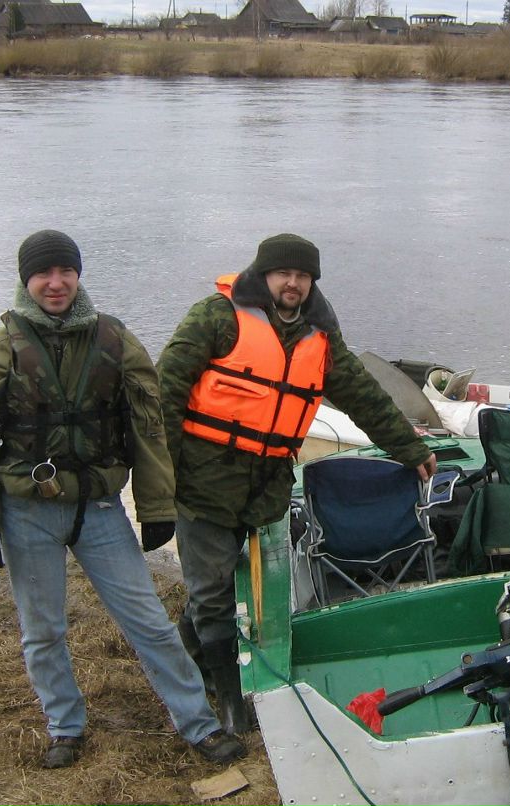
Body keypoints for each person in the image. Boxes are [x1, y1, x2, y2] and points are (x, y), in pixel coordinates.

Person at [0, 229, 246, 769]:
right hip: (27, 512)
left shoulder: (114, 339)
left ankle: (199, 724)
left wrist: (157, 507)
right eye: (44, 273)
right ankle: (65, 726)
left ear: (78, 275)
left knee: (150, 622)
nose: (55, 282)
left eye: (65, 271)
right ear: (27, 280)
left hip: (100, 510)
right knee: (42, 631)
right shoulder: (0, 347)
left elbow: (148, 426)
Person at [157, 233, 437, 733]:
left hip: (264, 486)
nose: (293, 283)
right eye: (284, 273)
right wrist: (161, 475)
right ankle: (229, 702)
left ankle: (187, 666)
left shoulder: (320, 337)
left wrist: (411, 449)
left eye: (303, 276)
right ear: (262, 274)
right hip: (204, 481)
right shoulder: (216, 318)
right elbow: (165, 391)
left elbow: (364, 397)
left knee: (211, 590)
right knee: (214, 590)